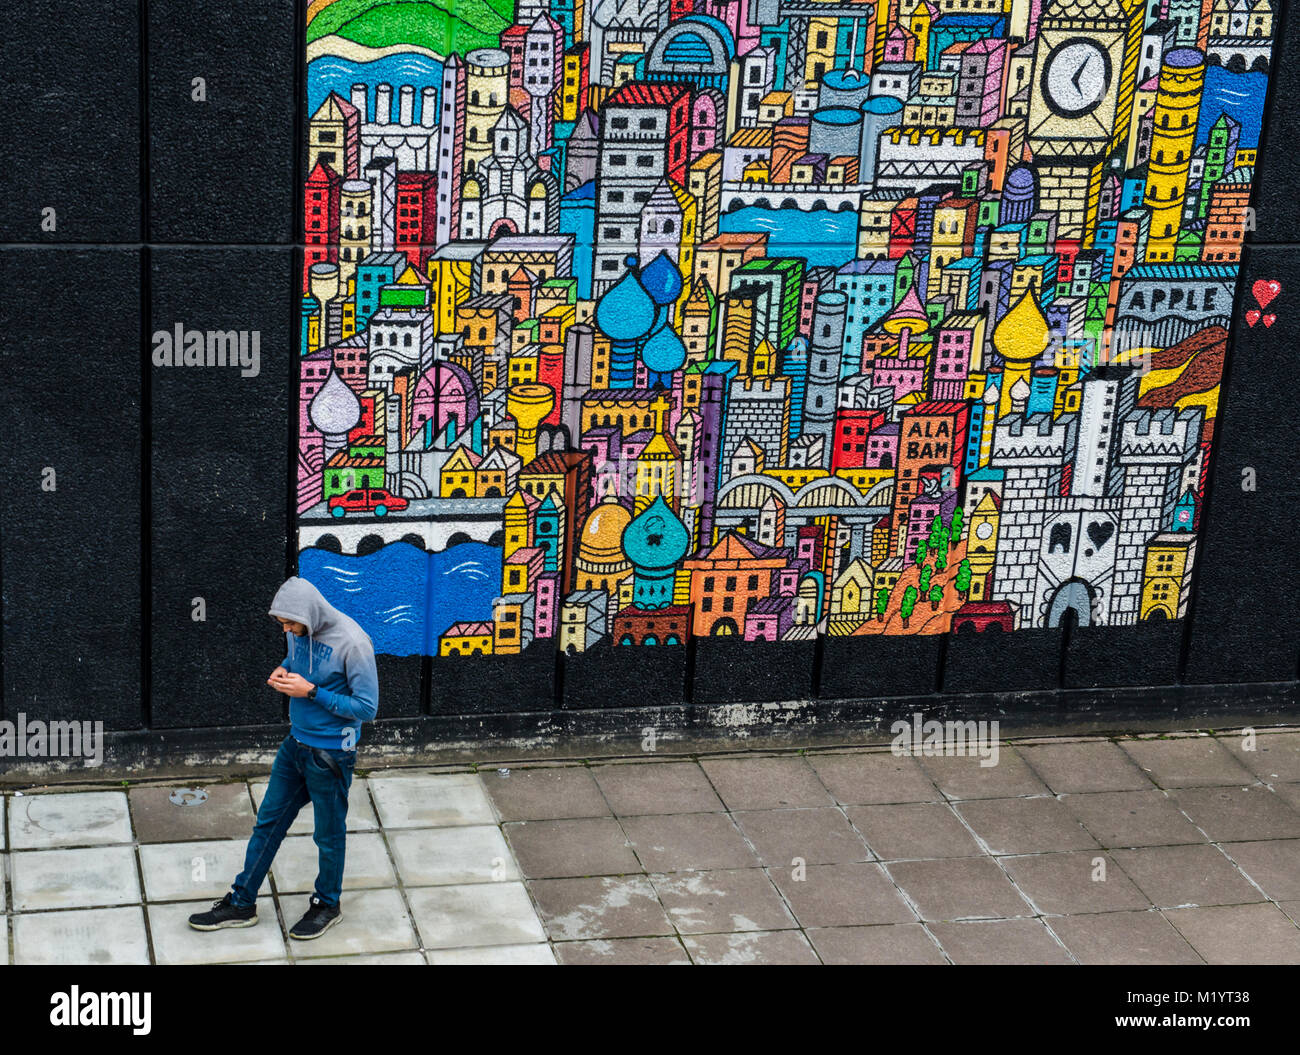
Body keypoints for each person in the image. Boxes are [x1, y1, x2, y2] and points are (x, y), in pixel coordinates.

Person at [188, 576, 379, 940]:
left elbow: (367, 708)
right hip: (295, 745)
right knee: (267, 823)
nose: (288, 629)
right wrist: (284, 667)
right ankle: (241, 903)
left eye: (291, 624)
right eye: (283, 624)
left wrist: (312, 692)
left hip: (332, 753)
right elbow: (297, 659)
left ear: (309, 613)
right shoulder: (295, 629)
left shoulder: (354, 643)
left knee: (328, 835)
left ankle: (327, 905)